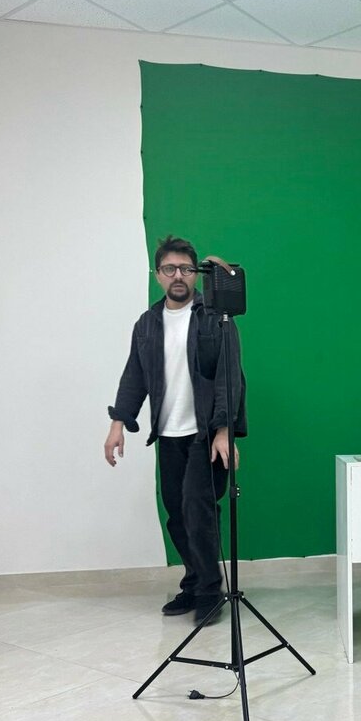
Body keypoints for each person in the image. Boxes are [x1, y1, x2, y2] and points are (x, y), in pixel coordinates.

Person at [104, 235, 246, 624]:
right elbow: (134, 375)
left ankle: (209, 592)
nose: (178, 276)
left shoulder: (216, 318)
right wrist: (118, 424)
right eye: (169, 269)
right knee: (177, 515)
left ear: (195, 273)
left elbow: (229, 376)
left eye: (185, 268)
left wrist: (223, 430)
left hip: (205, 435)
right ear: (157, 275)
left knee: (198, 511)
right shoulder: (147, 324)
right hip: (167, 435)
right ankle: (195, 581)